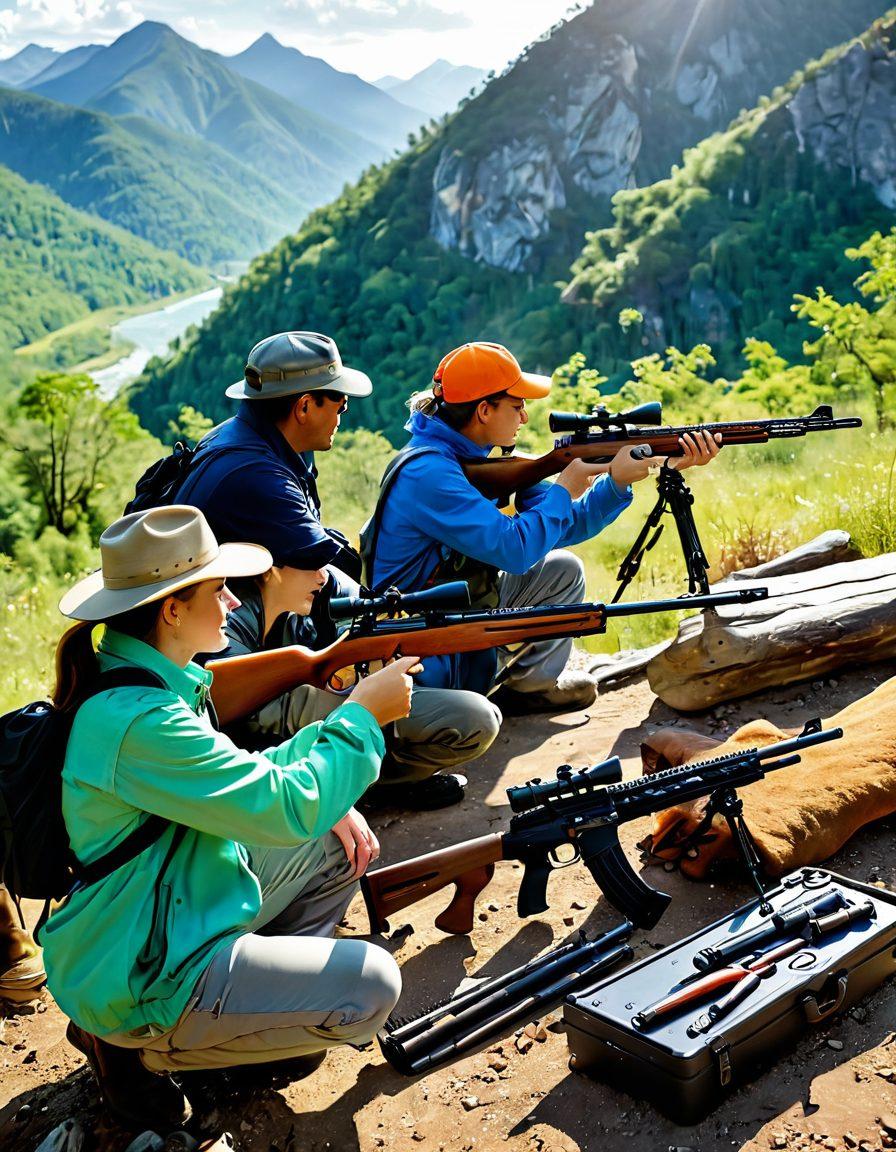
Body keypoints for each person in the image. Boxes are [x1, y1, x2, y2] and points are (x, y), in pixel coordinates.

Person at [41, 505, 412, 1131]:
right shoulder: (139, 719)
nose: (235, 602)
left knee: (335, 839)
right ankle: (143, 1049)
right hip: (142, 968)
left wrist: (328, 754)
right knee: (372, 986)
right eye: (218, 589)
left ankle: (253, 1011)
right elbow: (286, 807)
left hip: (165, 907)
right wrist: (360, 718)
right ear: (172, 611)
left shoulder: (146, 682)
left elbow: (239, 779)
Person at [174, 331, 500, 808]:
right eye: (340, 402)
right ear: (304, 406)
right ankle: (350, 787)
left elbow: (322, 565)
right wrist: (363, 639)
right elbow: (323, 565)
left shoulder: (264, 443)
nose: (345, 412)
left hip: (260, 630)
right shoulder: (256, 474)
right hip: (235, 657)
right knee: (459, 712)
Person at [365, 341, 721, 712]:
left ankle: (530, 689)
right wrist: (566, 486)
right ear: (484, 410)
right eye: (517, 406)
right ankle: (460, 694)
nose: (524, 418)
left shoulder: (478, 457)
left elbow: (567, 523)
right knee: (472, 713)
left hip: (461, 603)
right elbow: (515, 551)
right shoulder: (429, 472)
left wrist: (617, 481)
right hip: (417, 639)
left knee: (562, 569)